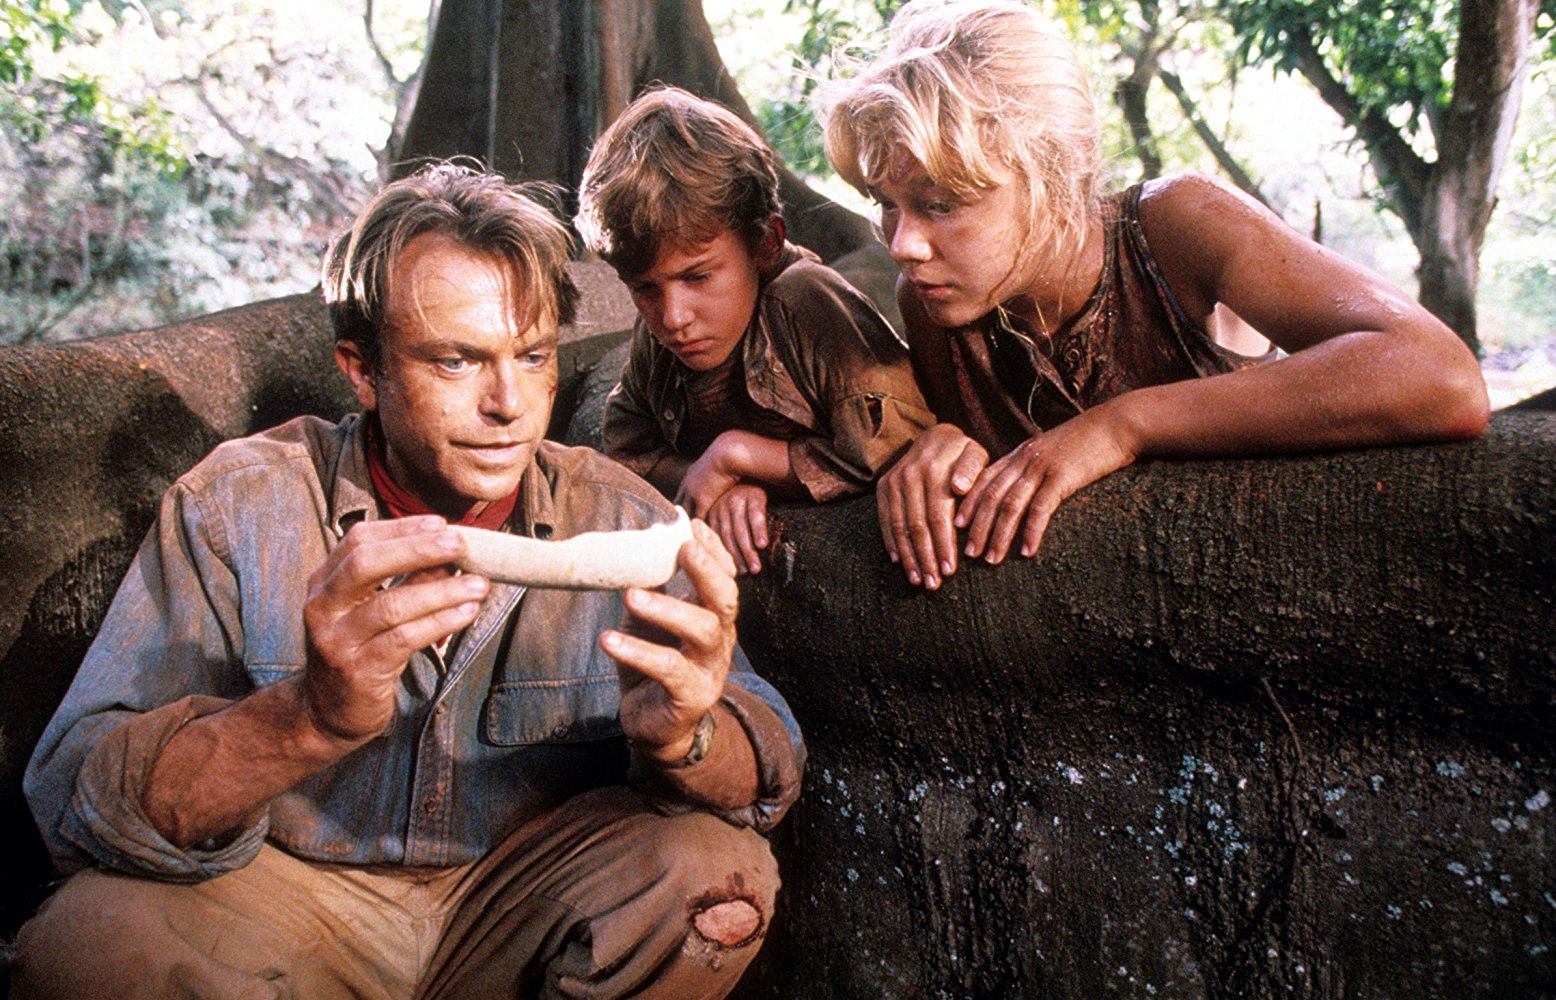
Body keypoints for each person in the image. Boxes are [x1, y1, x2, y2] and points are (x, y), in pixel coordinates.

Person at [14, 162, 804, 1000]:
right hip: (288, 898)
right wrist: (304, 720)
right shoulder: (239, 505)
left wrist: (688, 735)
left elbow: (769, 761)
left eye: (532, 356)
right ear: (362, 370)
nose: (509, 404)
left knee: (715, 875)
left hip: (514, 898)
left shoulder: (620, 514)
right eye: (457, 361)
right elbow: (74, 797)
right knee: (85, 944)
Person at [818, 0, 1491, 590]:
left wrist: (1123, 425)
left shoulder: (1175, 228)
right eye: (886, 204)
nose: (902, 243)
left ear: (1054, 174)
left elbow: (1442, 377)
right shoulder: (935, 308)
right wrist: (937, 448)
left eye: (940, 204)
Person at [576, 86, 934, 575]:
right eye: (644, 288)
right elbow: (629, 451)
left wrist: (737, 456)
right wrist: (718, 482)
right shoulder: (658, 331)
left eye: (697, 276)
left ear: (766, 243)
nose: (673, 317)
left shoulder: (806, 304)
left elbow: (893, 453)